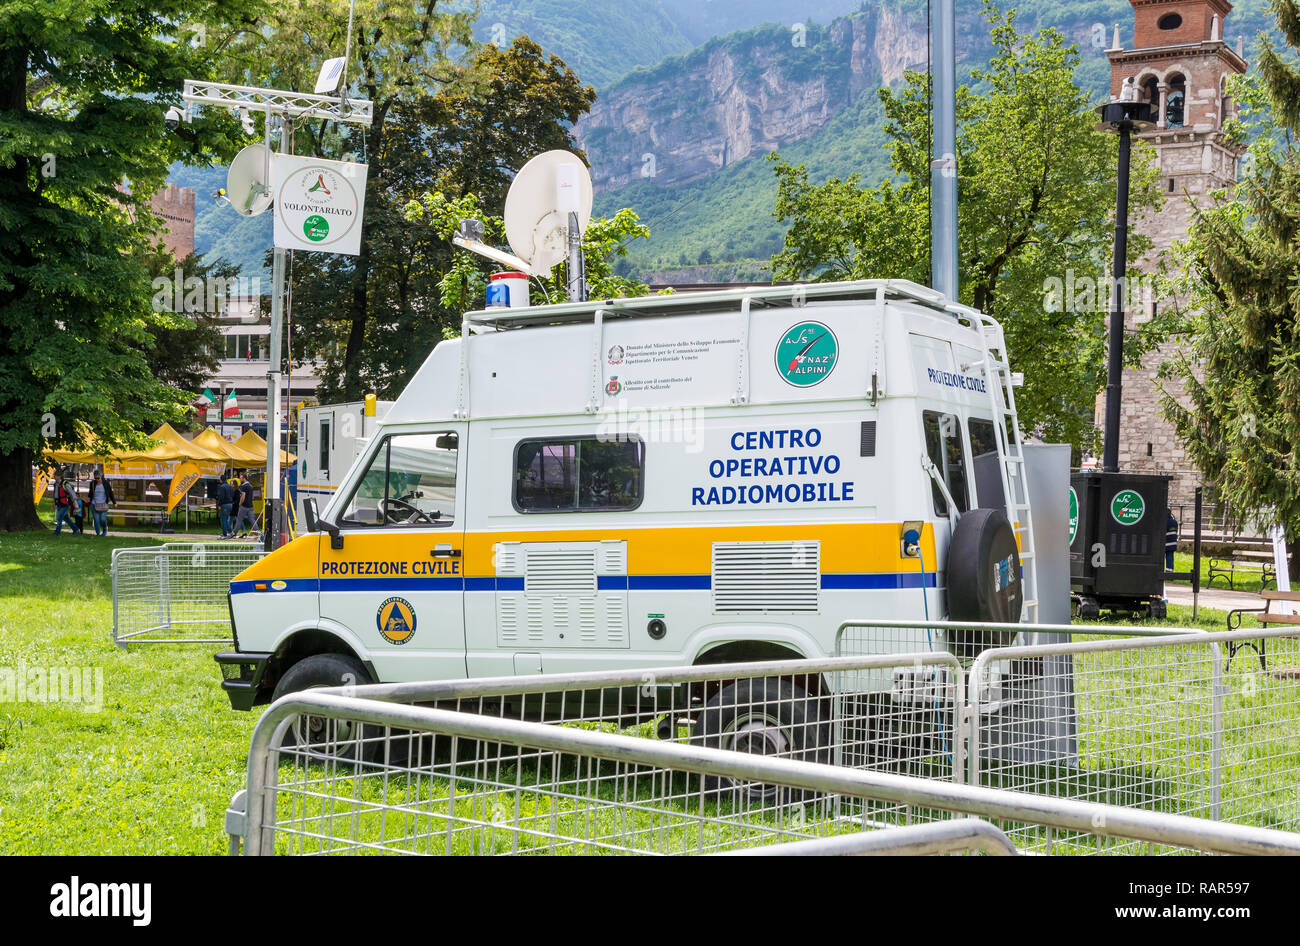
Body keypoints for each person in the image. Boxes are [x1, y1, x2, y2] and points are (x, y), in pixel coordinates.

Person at [88, 471, 115, 537]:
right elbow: (90, 492)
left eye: (98, 478)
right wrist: (89, 498)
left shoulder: (106, 483)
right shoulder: (92, 483)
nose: (97, 480)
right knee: (96, 520)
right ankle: (98, 533)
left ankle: (105, 529)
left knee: (103, 519)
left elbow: (111, 493)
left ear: (101, 476)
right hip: (94, 504)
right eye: (95, 478)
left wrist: (114, 502)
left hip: (103, 504)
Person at [52, 470, 76, 536]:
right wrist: (54, 502)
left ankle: (57, 533)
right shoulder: (55, 484)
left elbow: (72, 493)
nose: (54, 476)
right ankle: (76, 530)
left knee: (59, 517)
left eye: (55, 475)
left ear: (59, 476)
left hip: (65, 504)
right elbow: (55, 494)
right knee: (66, 519)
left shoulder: (65, 484)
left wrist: (74, 502)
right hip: (58, 503)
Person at [234, 473, 257, 539]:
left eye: (241, 478)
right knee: (252, 520)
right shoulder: (250, 486)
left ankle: (234, 533)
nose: (240, 479)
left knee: (239, 519)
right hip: (250, 506)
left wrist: (240, 504)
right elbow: (252, 497)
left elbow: (243, 495)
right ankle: (257, 533)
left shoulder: (243, 486)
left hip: (244, 506)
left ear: (244, 478)